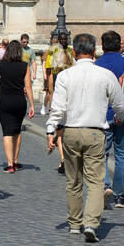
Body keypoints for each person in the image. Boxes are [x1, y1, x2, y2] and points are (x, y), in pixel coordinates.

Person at [45, 33, 124, 242]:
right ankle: (91, 223)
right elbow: (121, 106)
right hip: (95, 132)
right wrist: (119, 117)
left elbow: (58, 108)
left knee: (73, 180)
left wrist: (50, 130)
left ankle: (74, 223)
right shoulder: (105, 75)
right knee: (96, 181)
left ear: (74, 52)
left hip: (70, 132)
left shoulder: (64, 76)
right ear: (94, 51)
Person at [95, 30, 124, 208]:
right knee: (122, 154)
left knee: (102, 154)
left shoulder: (97, 64)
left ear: (102, 46)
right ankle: (120, 195)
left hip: (103, 115)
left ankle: (106, 185)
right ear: (119, 45)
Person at [0, 39, 34, 173]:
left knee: (7, 132)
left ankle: (10, 164)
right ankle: (16, 161)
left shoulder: (0, 64)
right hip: (19, 101)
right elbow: (28, 86)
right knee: (17, 130)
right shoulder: (25, 66)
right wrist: (32, 105)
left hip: (3, 100)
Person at [43, 30, 74, 172]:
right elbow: (49, 72)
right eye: (61, 39)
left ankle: (65, 159)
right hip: (58, 82)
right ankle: (63, 159)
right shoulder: (53, 51)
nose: (63, 41)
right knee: (60, 128)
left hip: (70, 85)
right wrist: (51, 91)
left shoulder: (71, 51)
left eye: (65, 39)